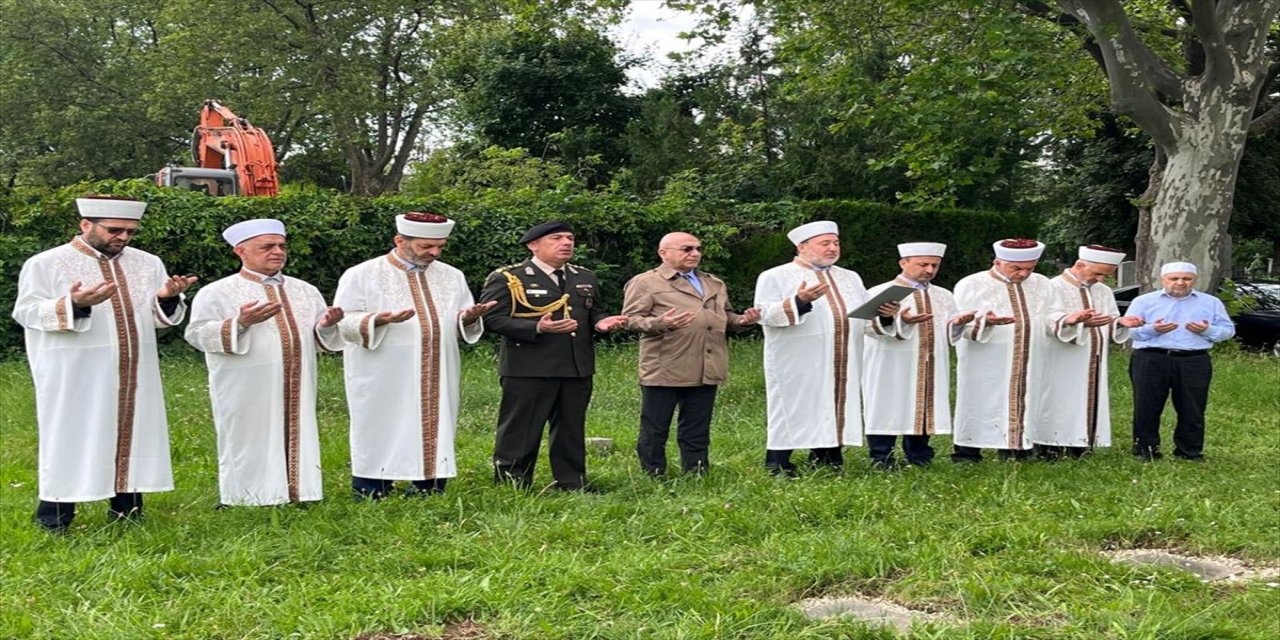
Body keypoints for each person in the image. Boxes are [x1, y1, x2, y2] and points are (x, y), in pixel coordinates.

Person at [12, 196, 196, 531]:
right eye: (114, 230)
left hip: (135, 369)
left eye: (130, 231)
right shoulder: (46, 263)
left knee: (133, 430)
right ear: (85, 225)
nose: (123, 237)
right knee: (71, 435)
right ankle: (55, 518)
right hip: (74, 370)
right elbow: (25, 312)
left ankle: (127, 511)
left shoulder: (148, 262)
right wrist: (74, 303)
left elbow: (157, 318)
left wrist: (167, 299)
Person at [333, 211, 495, 499]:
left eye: (440, 247)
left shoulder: (452, 275)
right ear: (400, 240)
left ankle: (429, 486)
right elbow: (342, 323)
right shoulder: (362, 274)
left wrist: (469, 317)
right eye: (426, 246)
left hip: (438, 369)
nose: (434, 253)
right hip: (380, 371)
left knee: (436, 421)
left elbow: (459, 322)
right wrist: (378, 320)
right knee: (379, 422)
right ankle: (372, 488)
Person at [184, 219, 344, 506]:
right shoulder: (217, 292)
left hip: (298, 381)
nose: (277, 252)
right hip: (243, 384)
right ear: (240, 251)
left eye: (281, 246)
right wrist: (240, 322)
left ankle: (300, 492)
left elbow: (321, 337)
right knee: (247, 436)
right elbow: (196, 335)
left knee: (299, 429)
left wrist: (328, 326)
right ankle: (244, 497)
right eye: (267, 246)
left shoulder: (305, 290)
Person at [478, 221, 628, 491]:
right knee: (521, 429)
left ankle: (572, 482)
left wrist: (602, 322)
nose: (566, 243)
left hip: (575, 365)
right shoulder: (509, 277)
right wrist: (536, 327)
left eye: (570, 237)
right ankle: (512, 483)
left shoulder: (583, 277)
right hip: (529, 366)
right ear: (533, 245)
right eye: (556, 238)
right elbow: (492, 319)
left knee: (571, 428)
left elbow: (594, 310)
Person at [621, 232, 761, 476]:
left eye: (697, 248)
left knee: (697, 426)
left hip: (707, 364)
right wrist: (661, 323)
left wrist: (742, 320)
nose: (695, 253)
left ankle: (697, 472)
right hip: (665, 364)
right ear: (664, 253)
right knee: (655, 426)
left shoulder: (713, 283)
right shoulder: (646, 282)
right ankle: (652, 473)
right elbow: (630, 320)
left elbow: (725, 315)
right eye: (687, 249)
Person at [754, 220, 885, 476]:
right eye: (825, 243)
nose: (832, 248)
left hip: (843, 354)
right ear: (802, 247)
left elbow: (865, 318)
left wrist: (886, 315)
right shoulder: (775, 275)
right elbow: (765, 314)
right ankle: (779, 462)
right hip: (797, 357)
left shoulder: (850, 277)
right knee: (793, 405)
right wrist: (800, 301)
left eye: (836, 243)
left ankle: (828, 457)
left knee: (835, 401)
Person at [862, 242, 973, 468]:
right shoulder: (879, 292)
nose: (930, 270)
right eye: (923, 264)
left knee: (924, 402)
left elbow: (950, 329)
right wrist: (898, 320)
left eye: (935, 265)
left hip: (930, 361)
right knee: (887, 404)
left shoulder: (943, 295)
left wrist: (958, 323)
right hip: (889, 362)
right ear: (904, 263)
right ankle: (881, 457)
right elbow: (864, 325)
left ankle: (920, 455)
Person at [1036, 246, 1143, 458]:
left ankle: (1082, 444)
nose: (1101, 279)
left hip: (1093, 355)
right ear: (1079, 264)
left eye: (1106, 275)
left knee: (1088, 396)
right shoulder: (1051, 287)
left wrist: (1120, 322)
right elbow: (1045, 320)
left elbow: (1109, 316)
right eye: (1097, 273)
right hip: (1060, 355)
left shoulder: (1102, 290)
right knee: (1057, 398)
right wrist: (1072, 320)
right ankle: (1049, 445)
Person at [951, 239, 1052, 462]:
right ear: (996, 261)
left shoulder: (1043, 283)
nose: (1024, 274)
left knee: (1025, 397)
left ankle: (1016, 448)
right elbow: (958, 322)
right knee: (979, 400)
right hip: (985, 357)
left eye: (1030, 268)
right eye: (1016, 268)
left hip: (1028, 356)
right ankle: (968, 451)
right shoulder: (972, 284)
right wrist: (983, 322)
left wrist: (1067, 320)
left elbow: (1050, 315)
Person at [1123, 262, 1235, 461]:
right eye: (1174, 278)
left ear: (1195, 280)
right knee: (1146, 405)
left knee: (1192, 407)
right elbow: (1128, 331)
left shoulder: (1210, 302)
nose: (1180, 283)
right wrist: (1152, 329)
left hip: (1193, 360)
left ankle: (1189, 452)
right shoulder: (1144, 301)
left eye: (1186, 278)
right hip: (1151, 358)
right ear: (1163, 279)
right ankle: (1145, 450)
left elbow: (1228, 331)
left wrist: (1207, 330)